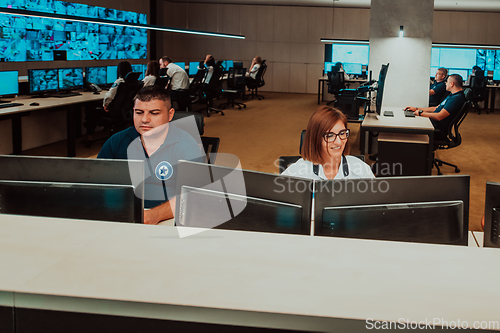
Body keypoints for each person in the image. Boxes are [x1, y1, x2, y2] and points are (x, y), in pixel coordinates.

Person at [97, 85, 204, 225]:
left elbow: (193, 194)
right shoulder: (116, 142)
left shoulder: (186, 144)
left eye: (154, 113)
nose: (145, 119)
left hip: (169, 219)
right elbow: (97, 184)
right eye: (139, 112)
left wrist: (155, 214)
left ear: (170, 114)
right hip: (122, 216)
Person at [282, 106, 375, 180]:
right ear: (316, 138)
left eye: (342, 133)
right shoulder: (297, 172)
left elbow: (376, 201)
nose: (339, 142)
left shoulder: (361, 170)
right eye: (330, 136)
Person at [405, 74, 466, 140]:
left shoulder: (456, 98)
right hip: (433, 123)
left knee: (409, 127)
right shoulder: (453, 95)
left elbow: (439, 116)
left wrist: (420, 113)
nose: (446, 83)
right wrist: (416, 109)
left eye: (447, 82)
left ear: (452, 84)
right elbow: (436, 108)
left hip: (436, 128)